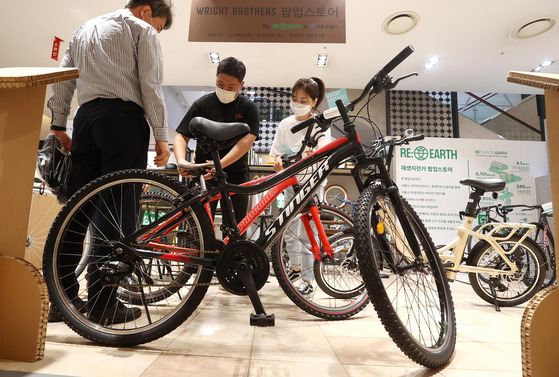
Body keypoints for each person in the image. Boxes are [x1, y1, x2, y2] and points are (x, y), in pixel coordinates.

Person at [46, 0, 174, 323]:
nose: (157, 31)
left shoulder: (83, 30)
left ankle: (63, 299)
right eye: (159, 25)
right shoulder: (141, 30)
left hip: (85, 120)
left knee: (76, 209)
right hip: (123, 119)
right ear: (147, 12)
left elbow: (64, 77)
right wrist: (161, 134)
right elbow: (150, 84)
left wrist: (59, 123)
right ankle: (104, 302)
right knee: (116, 210)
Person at [174, 57, 260, 224]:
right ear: (215, 78)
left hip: (236, 176)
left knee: (236, 229)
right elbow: (181, 136)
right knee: (198, 229)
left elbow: (247, 140)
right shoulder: (202, 104)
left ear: (241, 85)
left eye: (230, 87)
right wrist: (181, 161)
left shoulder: (248, 108)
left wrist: (220, 164)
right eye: (220, 84)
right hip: (202, 175)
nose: (224, 89)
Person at [269, 77, 331, 296]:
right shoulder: (285, 124)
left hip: (312, 185)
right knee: (286, 230)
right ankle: (294, 269)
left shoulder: (320, 125)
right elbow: (276, 151)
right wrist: (277, 160)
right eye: (294, 98)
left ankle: (308, 279)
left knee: (308, 233)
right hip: (289, 182)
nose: (296, 103)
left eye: (303, 99)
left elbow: (323, 155)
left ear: (313, 102)